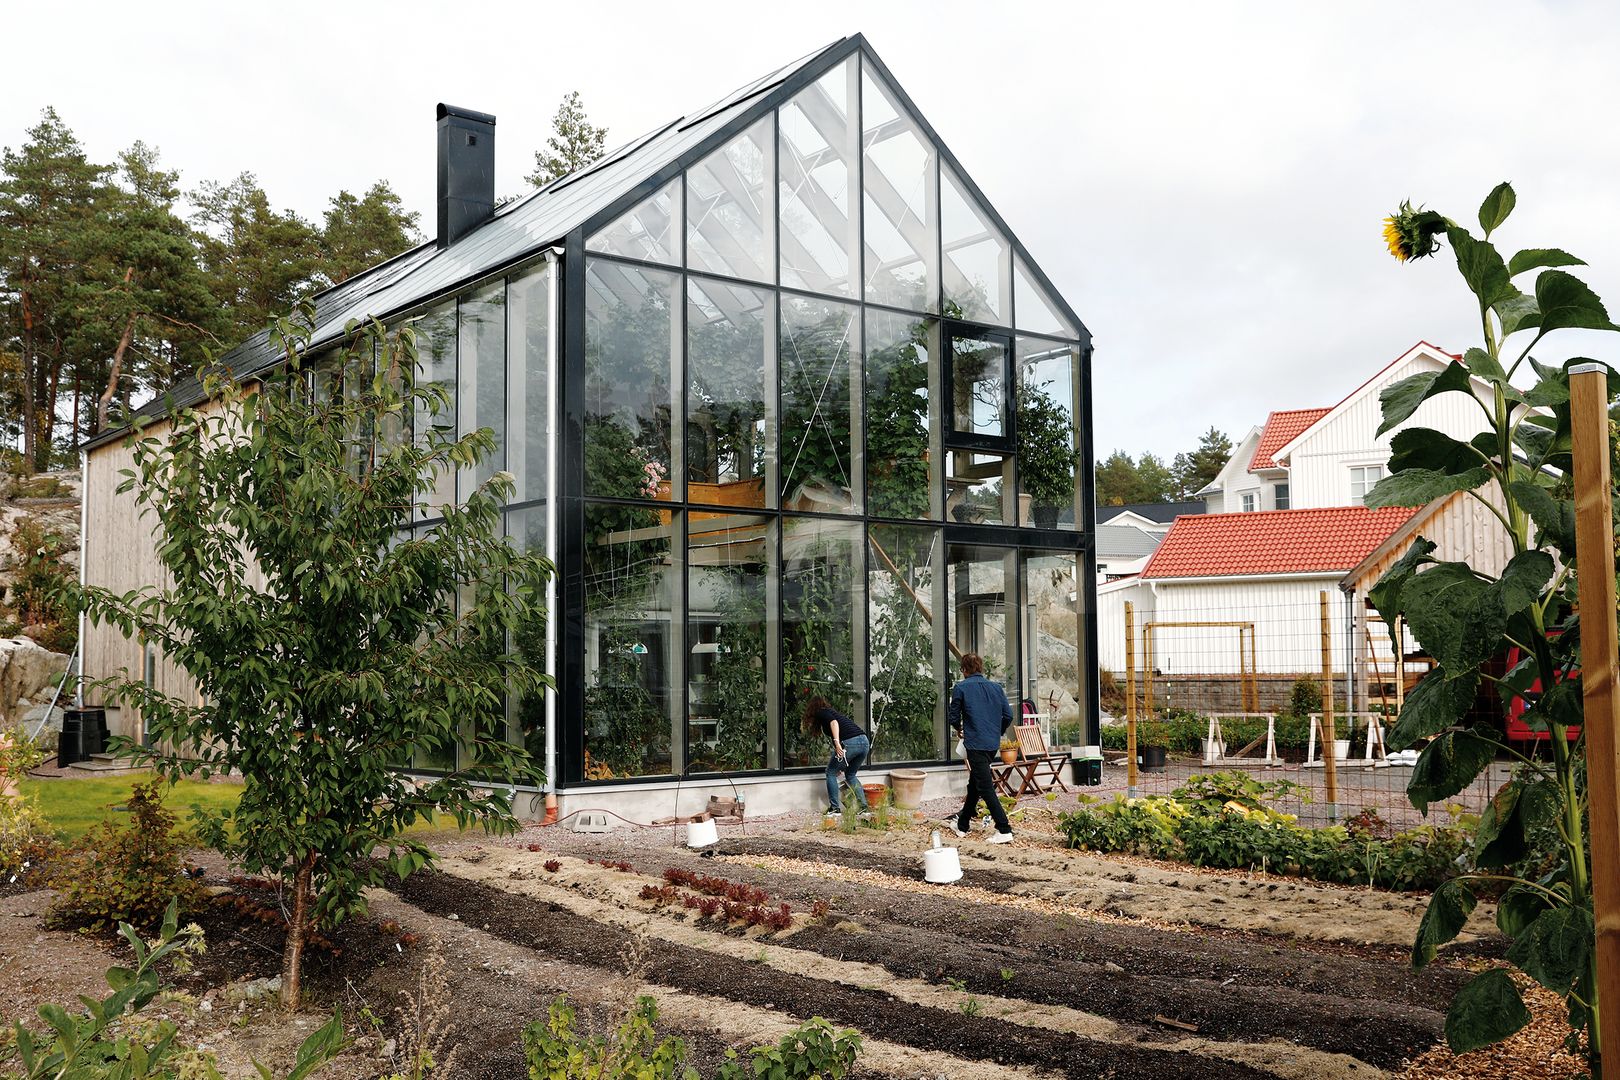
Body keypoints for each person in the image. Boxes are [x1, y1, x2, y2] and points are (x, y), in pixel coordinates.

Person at [948, 653, 1015, 843]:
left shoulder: (961, 688)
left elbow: (953, 717)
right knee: (975, 783)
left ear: (964, 669)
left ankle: (1003, 829)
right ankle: (962, 825)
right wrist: (997, 731)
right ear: (981, 668)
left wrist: (960, 730)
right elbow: (1008, 716)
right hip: (991, 743)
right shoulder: (996, 688)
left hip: (975, 742)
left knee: (985, 787)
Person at [804, 696, 869, 816]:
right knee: (850, 774)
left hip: (850, 742)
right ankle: (863, 809)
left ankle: (835, 809)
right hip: (864, 741)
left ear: (812, 708)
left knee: (830, 772)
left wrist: (837, 742)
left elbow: (834, 723)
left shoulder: (821, 712)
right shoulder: (831, 712)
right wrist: (841, 765)